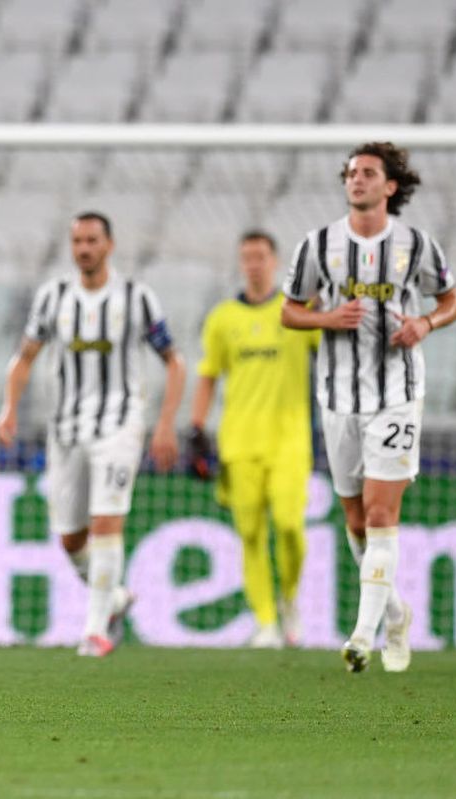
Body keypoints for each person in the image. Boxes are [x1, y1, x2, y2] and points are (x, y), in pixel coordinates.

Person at [281, 142, 456, 673]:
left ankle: (362, 636)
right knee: (356, 521)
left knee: (382, 514)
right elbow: (290, 312)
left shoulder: (416, 244)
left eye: (367, 172)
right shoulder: (317, 245)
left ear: (390, 186)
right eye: (351, 173)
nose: (356, 179)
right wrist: (326, 319)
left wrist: (425, 323)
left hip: (398, 395)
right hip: (337, 398)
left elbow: (451, 301)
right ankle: (396, 613)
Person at [0, 212, 186, 657]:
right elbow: (25, 356)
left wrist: (164, 424)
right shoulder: (54, 297)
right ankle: (114, 599)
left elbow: (174, 361)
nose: (84, 248)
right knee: (70, 538)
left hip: (120, 424)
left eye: (92, 240)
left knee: (106, 521)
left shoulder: (136, 297)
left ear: (109, 245)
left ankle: (96, 630)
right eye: (78, 241)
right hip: (66, 429)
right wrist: (9, 409)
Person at [188, 231, 320, 649]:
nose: (254, 264)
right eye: (247, 257)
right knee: (250, 534)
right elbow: (208, 376)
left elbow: (333, 348)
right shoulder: (222, 319)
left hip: (289, 440)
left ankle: (289, 598)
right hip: (239, 442)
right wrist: (196, 428)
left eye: (260, 256)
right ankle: (265, 622)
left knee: (289, 525)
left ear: (275, 261)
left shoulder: (297, 311)